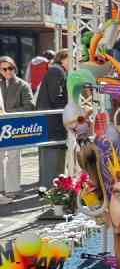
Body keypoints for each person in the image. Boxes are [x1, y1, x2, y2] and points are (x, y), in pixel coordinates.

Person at [0, 56, 34, 203]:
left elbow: (29, 106)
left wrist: (7, 113)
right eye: (4, 69)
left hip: (15, 126)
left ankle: (12, 189)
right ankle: (1, 189)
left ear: (14, 68)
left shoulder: (22, 85)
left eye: (10, 68)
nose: (8, 71)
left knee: (13, 158)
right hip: (1, 126)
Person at [36, 49, 68, 189]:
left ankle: (50, 187)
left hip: (51, 120)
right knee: (52, 155)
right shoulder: (57, 71)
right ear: (63, 59)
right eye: (71, 58)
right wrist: (70, 104)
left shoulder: (56, 70)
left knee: (51, 155)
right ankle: (51, 188)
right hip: (53, 121)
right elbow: (56, 97)